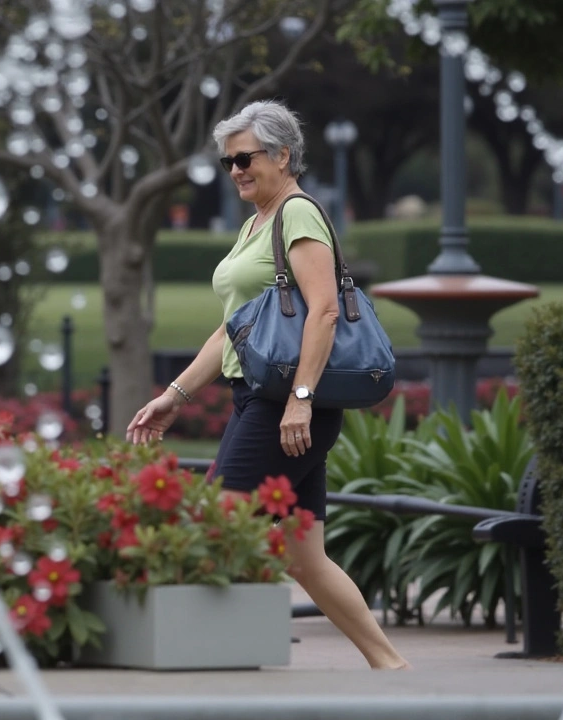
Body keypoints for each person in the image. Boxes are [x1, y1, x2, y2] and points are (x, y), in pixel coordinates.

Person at [124, 100, 410, 671]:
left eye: (246, 158)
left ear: (283, 154)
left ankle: (200, 660)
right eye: (229, 162)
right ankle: (391, 667)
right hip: (273, 401)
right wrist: (173, 397)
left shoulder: (297, 214)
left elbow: (324, 311)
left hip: (287, 405)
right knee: (305, 557)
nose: (236, 171)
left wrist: (300, 399)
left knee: (214, 523)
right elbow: (236, 331)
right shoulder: (259, 220)